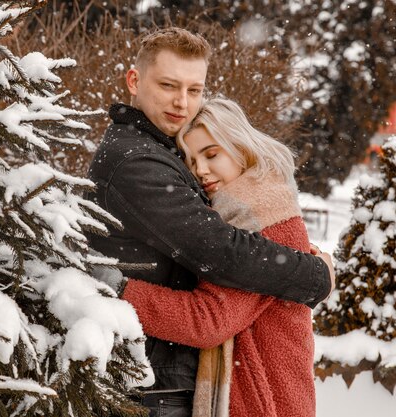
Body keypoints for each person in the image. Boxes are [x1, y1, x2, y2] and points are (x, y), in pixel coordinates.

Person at [86, 27, 334, 417]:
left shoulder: (256, 208)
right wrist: (313, 272)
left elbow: (214, 304)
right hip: (153, 385)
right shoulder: (137, 160)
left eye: (194, 89)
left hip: (227, 391)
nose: (181, 102)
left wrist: (312, 270)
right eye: (168, 85)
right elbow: (218, 251)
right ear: (133, 80)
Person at [117, 97, 318, 417]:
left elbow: (208, 320)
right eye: (191, 160)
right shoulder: (244, 211)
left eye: (211, 155)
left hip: (267, 402)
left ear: (241, 148)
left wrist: (120, 291)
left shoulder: (260, 216)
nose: (201, 170)